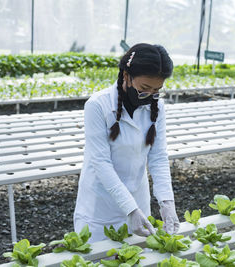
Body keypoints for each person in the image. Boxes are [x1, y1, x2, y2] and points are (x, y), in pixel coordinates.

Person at [73, 43, 179, 242]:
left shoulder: (158, 107)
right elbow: (101, 163)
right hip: (100, 207)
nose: (149, 96)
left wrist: (167, 201)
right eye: (144, 88)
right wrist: (130, 209)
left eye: (157, 90)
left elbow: (158, 156)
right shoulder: (97, 105)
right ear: (126, 76)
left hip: (139, 201)